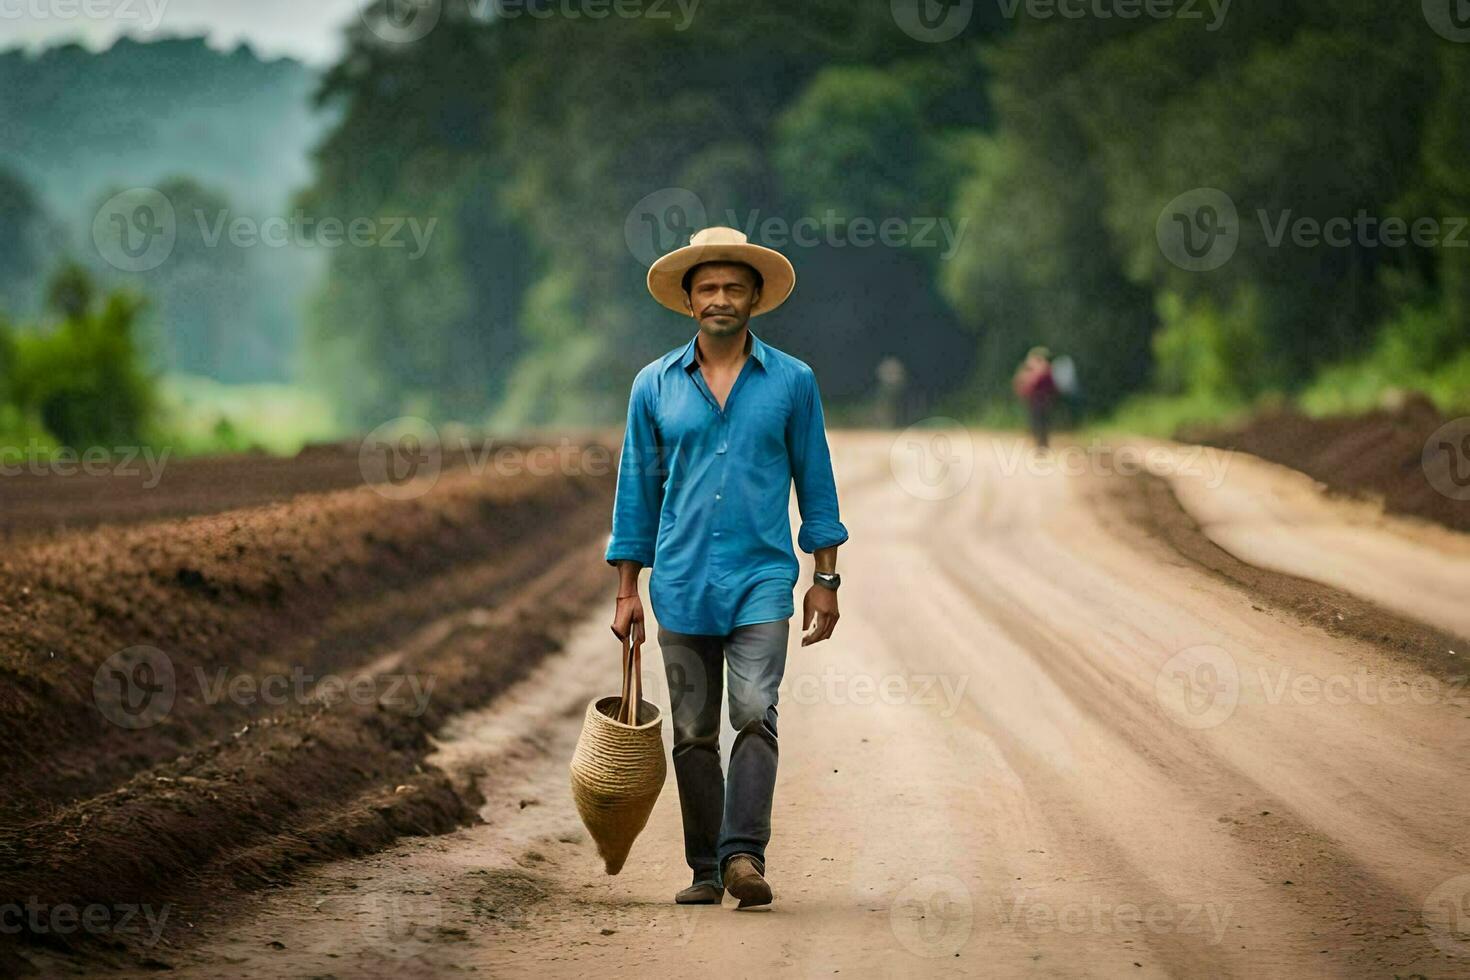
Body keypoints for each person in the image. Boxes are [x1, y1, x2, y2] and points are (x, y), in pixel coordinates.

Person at [605, 226, 849, 909]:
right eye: (708, 288)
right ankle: (704, 868)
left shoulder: (793, 383)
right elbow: (636, 492)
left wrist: (824, 580)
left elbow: (817, 486)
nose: (720, 298)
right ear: (689, 303)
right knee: (690, 733)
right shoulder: (653, 387)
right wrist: (628, 590)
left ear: (754, 300)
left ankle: (744, 856)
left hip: (762, 581)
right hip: (679, 585)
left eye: (733, 288)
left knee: (754, 712)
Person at [1012, 346, 1058, 450]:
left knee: (1042, 422)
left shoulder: (1044, 370)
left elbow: (1035, 383)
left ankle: (1043, 444)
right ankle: (1040, 444)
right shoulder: (1034, 370)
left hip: (1043, 400)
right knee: (1037, 423)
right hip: (1036, 400)